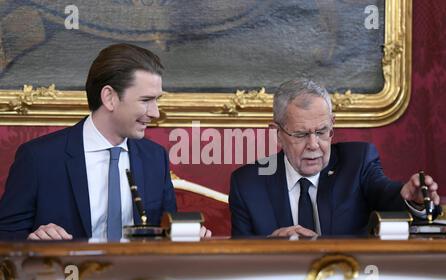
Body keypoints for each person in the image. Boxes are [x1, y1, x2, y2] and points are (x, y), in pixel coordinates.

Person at [0, 43, 211, 240]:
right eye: (146, 100)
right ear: (109, 97)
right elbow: (7, 237)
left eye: (157, 100)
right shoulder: (39, 158)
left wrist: (188, 236)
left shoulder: (155, 157)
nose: (155, 113)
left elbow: (166, 232)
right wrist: (35, 238)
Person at [229, 78, 441, 237]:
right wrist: (268, 248)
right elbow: (237, 262)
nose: (313, 145)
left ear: (332, 126)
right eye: (301, 134)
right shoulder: (248, 183)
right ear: (277, 133)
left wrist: (411, 198)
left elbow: (386, 193)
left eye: (322, 132)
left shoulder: (358, 162)